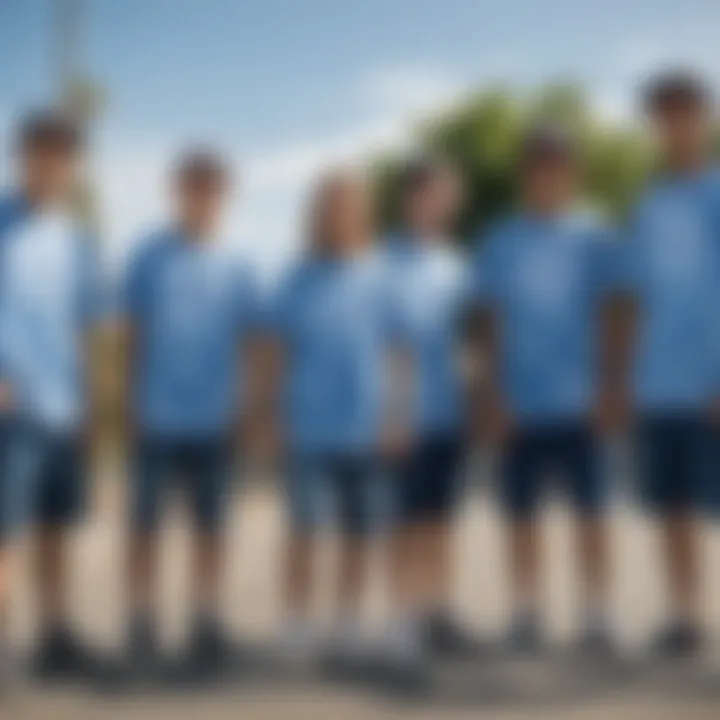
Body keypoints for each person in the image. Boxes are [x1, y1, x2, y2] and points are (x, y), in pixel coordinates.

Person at [470, 126, 617, 654]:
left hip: (582, 403)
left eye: (558, 165)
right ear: (524, 176)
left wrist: (611, 389)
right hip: (519, 405)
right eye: (537, 166)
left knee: (593, 515)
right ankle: (526, 613)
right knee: (521, 519)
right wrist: (491, 396)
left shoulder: (596, 236)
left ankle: (597, 615)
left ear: (573, 173)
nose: (547, 175)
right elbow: (489, 323)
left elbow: (611, 317)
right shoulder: (499, 240)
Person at [122, 149, 261, 674]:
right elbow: (133, 337)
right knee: (144, 528)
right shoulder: (146, 257)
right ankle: (141, 621)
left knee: (212, 529)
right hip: (155, 416)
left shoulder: (240, 264)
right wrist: (127, 405)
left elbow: (253, 345)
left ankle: (206, 618)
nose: (201, 196)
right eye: (192, 186)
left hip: (217, 419)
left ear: (224, 196)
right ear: (175, 191)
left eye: (212, 188)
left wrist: (249, 409)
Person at [265, 169, 402, 671]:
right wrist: (270, 415)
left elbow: (398, 355)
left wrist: (398, 416)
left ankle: (346, 625)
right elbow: (274, 353)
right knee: (304, 531)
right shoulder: (295, 277)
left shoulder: (382, 273)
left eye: (350, 204)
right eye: (331, 205)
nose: (340, 214)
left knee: (360, 534)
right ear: (318, 215)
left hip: (368, 426)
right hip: (308, 428)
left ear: (363, 212)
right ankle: (298, 624)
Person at [614, 70, 720, 656]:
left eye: (685, 111)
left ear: (705, 117)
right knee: (673, 509)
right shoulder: (647, 205)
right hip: (660, 385)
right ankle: (687, 618)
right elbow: (637, 299)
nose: (675, 124)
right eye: (663, 115)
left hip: (714, 381)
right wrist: (628, 379)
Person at [0, 110, 102, 678]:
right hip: (11, 410)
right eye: (41, 153)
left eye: (62, 156)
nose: (51, 165)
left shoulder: (79, 241)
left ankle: (55, 637)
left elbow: (87, 326)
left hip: (65, 411)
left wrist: (88, 405)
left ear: (73, 166)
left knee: (56, 530)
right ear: (23, 157)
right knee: (4, 535)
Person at [382, 159, 478, 673]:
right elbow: (386, 346)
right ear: (408, 200)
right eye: (423, 194)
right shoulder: (384, 262)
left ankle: (437, 612)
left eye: (442, 195)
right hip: (405, 418)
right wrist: (392, 413)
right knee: (407, 524)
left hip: (450, 413)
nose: (433, 204)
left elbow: (465, 339)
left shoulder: (457, 264)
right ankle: (403, 620)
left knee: (439, 522)